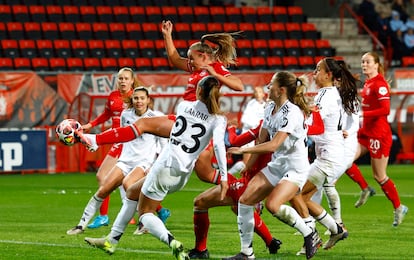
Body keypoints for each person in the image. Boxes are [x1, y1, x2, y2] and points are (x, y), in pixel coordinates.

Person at [83, 76, 228, 260]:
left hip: (164, 167)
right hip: (182, 175)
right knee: (132, 193)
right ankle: (111, 240)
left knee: (145, 213)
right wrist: (223, 178)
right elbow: (218, 147)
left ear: (198, 91)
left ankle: (172, 242)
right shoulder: (219, 119)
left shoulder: (184, 106)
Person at [223, 71, 321, 260]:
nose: (268, 87)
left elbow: (274, 144)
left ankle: (309, 234)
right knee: (244, 201)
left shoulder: (292, 112)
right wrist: (249, 167)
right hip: (278, 164)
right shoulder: (269, 108)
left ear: (281, 90)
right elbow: (262, 139)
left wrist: (242, 151)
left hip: (296, 168)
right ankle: (246, 253)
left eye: (271, 84)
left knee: (273, 205)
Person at [66, 86, 168, 235]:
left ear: (148, 100)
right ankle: (81, 225)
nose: (139, 101)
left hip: (143, 163)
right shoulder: (125, 115)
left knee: (129, 185)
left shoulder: (155, 118)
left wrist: (156, 162)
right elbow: (120, 135)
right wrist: (97, 143)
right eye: (136, 98)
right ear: (132, 100)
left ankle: (143, 223)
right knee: (103, 189)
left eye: (142, 98)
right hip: (125, 161)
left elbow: (163, 143)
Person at [189, 123, 282, 259]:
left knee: (201, 202)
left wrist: (231, 128)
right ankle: (271, 242)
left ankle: (201, 250)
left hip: (256, 181)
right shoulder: (278, 122)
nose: (268, 102)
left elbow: (234, 141)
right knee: (237, 207)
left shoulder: (267, 123)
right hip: (264, 178)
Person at [345, 52, 408, 226]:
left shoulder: (379, 84)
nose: (364, 64)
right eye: (362, 61)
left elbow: (385, 110)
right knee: (344, 160)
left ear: (376, 64)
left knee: (379, 175)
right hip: (365, 132)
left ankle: (398, 207)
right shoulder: (368, 83)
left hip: (378, 135)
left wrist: (363, 114)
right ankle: (365, 189)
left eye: (367, 62)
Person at [79, 67, 134, 229]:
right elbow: (106, 114)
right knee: (127, 181)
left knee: (104, 177)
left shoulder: (137, 98)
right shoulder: (113, 96)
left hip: (128, 143)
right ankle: (157, 211)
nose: (122, 81)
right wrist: (90, 125)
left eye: (125, 78)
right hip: (117, 141)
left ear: (132, 81)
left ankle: (104, 216)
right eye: (120, 78)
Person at [237, 86, 266, 167]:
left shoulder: (265, 105)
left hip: (260, 134)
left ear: (263, 94)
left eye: (259, 92)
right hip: (249, 133)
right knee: (247, 161)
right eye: (255, 92)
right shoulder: (251, 104)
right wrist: (256, 126)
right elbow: (245, 120)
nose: (257, 94)